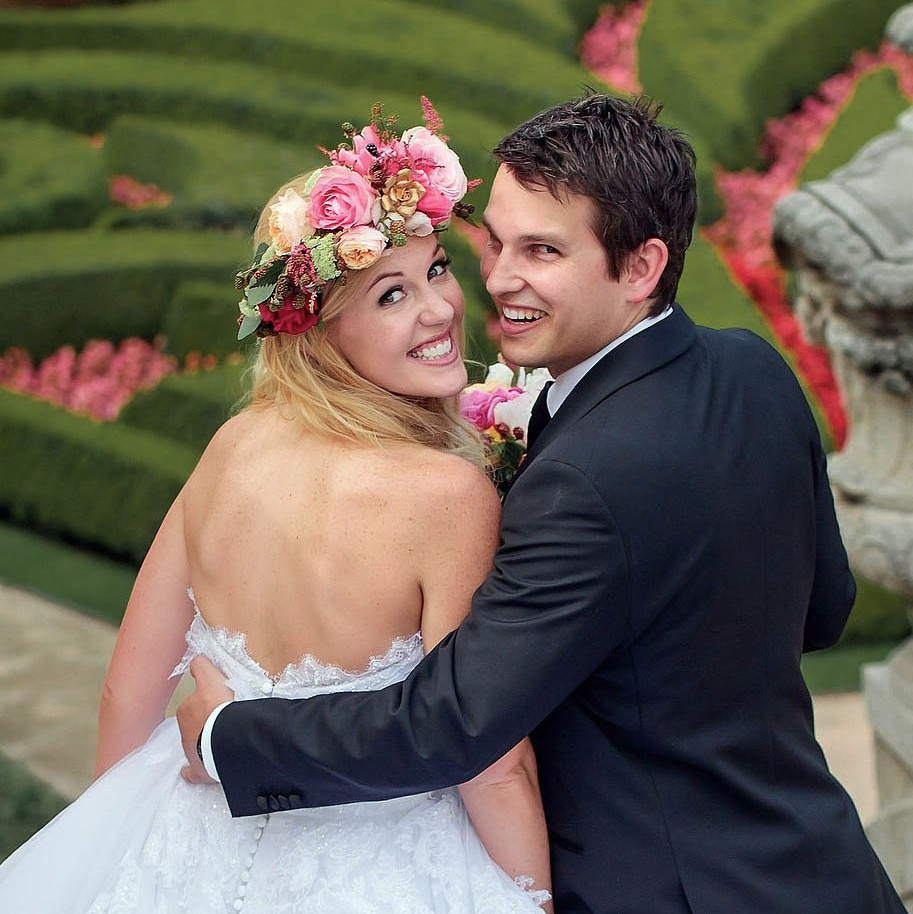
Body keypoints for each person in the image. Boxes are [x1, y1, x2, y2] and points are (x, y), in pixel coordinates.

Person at [178, 93, 907, 914]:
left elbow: (449, 725)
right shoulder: (754, 369)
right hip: (818, 865)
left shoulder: (583, 481)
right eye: (495, 242)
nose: (497, 279)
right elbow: (823, 609)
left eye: (542, 251)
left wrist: (229, 737)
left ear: (641, 267)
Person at [0, 102, 553, 913]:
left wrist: (114, 850)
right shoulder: (447, 495)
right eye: (389, 296)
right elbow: (488, 759)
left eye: (435, 269)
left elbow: (128, 691)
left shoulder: (232, 447)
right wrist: (535, 899)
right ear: (319, 332)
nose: (439, 308)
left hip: (187, 844)